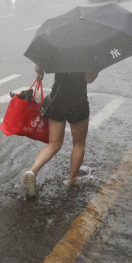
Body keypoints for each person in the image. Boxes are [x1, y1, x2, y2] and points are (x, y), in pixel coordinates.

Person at [22, 65, 98, 197]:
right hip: (78, 103)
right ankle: (72, 179)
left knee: (54, 144)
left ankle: (33, 171)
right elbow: (89, 79)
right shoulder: (87, 54)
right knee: (78, 144)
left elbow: (39, 67)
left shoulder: (59, 50)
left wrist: (39, 73)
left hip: (57, 100)